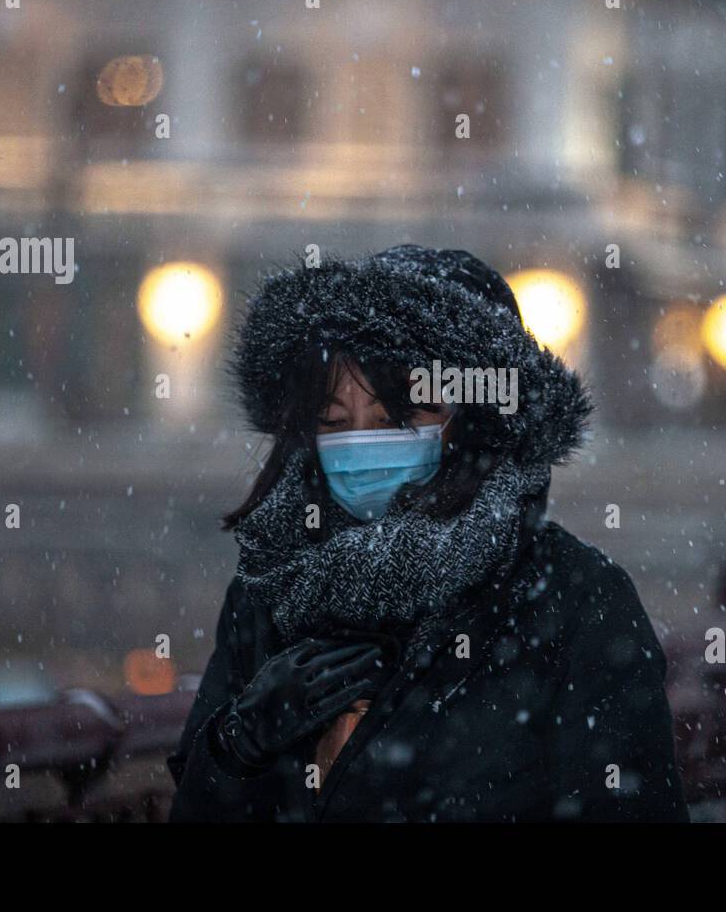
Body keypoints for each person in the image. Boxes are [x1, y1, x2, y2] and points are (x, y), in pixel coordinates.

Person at [166, 244, 688, 821]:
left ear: (478, 423)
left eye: (400, 418)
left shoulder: (578, 600)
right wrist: (236, 747)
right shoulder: (268, 591)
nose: (361, 444)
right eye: (334, 422)